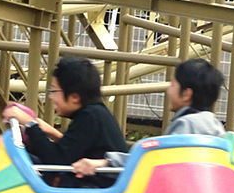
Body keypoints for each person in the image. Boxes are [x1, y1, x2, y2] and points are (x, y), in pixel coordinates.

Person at [72, 58, 225, 177]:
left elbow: (153, 160)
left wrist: (105, 162)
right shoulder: (215, 126)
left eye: (173, 84)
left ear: (186, 94)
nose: (168, 90)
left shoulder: (186, 125)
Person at [2, 57, 128, 187]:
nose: (51, 97)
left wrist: (31, 125)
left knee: (19, 167)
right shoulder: (95, 113)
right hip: (93, 186)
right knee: (26, 159)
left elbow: (55, 161)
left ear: (74, 97)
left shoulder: (90, 117)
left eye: (53, 91)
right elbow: (68, 152)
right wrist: (48, 131)